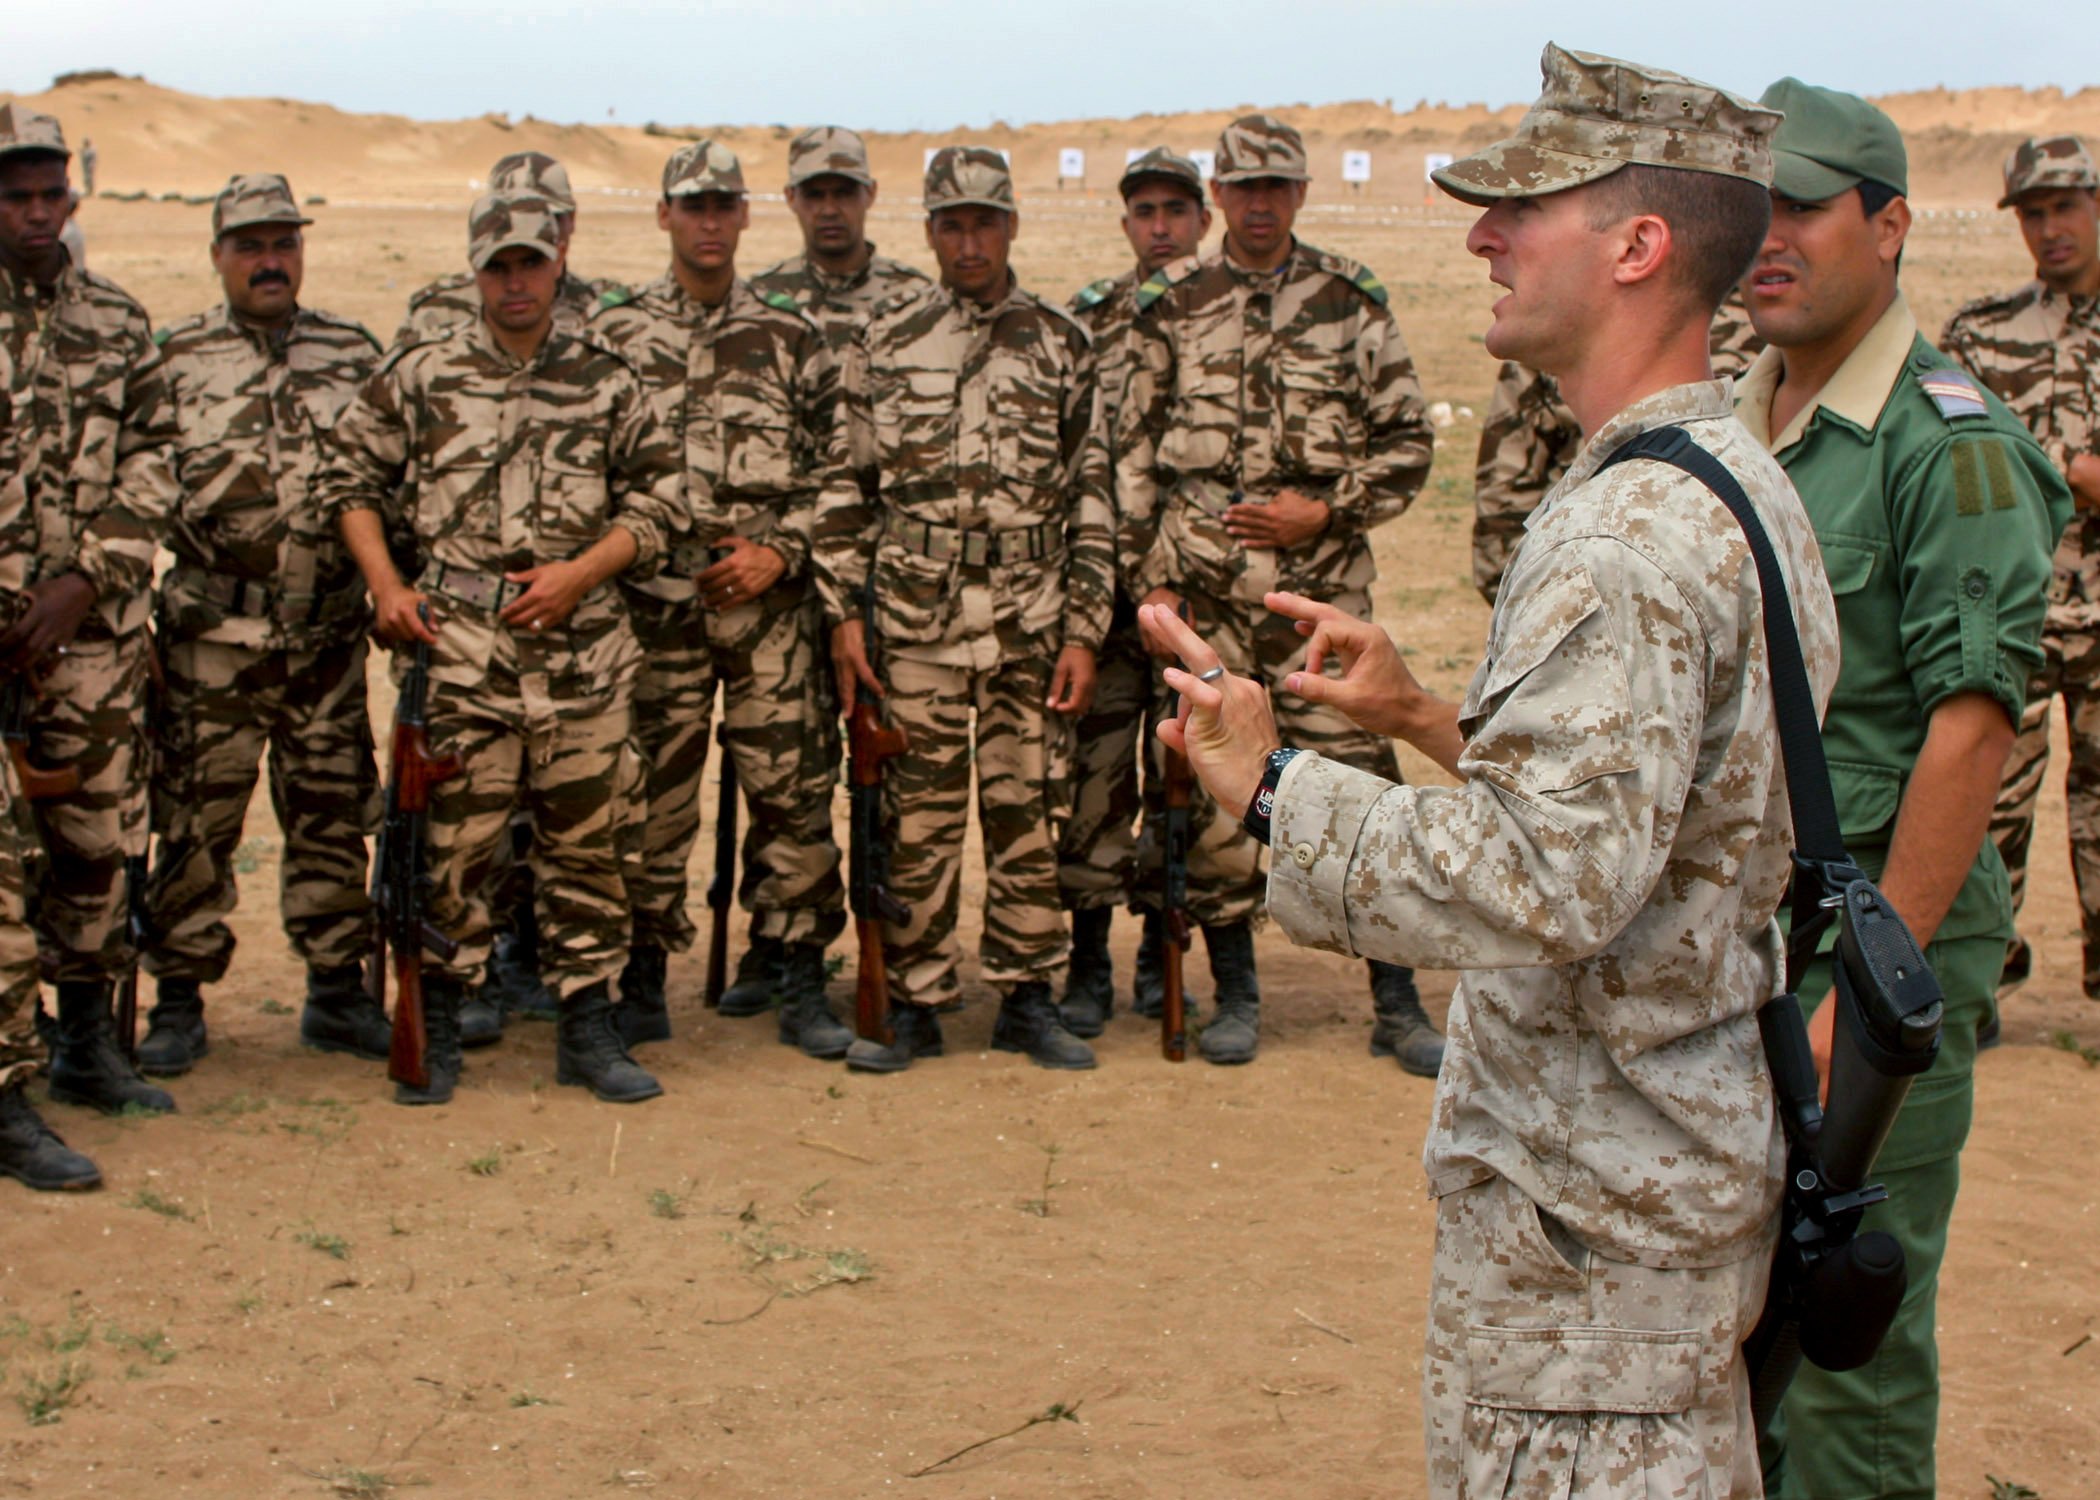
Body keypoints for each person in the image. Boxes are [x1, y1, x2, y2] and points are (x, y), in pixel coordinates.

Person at [1145, 44, 1834, 1496]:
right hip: (1658, 1181)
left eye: (1525, 209)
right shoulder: (1731, 480)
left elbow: (1550, 879)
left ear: (1639, 246)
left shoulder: (1621, 543)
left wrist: (1274, 787)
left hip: (1598, 1225)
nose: (1481, 236)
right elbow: (1664, 824)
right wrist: (1422, 716)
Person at [1735, 80, 2069, 1500]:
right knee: (1735, 1347)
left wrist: (1860, 1007)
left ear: (1890, 225)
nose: (1770, 239)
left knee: (1849, 1365)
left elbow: (1970, 734)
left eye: (1803, 208)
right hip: (1742, 950)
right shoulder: (1731, 421)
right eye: (1752, 210)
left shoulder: (1953, 446)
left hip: (1869, 959)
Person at [319, 194, 687, 1106]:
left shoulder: (610, 379)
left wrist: (582, 572)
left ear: (557, 262)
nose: (515, 282)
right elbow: (349, 478)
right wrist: (387, 586)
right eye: (498, 266)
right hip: (463, 651)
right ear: (474, 270)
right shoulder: (425, 374)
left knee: (590, 848)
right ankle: (438, 1020)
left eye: (529, 263)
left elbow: (664, 505)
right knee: (452, 847)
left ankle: (589, 1029)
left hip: (581, 650)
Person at [1115, 112, 1439, 1068]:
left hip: (1319, 610)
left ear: (1301, 193)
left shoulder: (1350, 300)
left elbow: (1409, 444)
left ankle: (1396, 997)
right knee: (1219, 806)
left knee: (1360, 790)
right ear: (1219, 194)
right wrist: (1155, 581)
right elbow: (1130, 455)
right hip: (1207, 607)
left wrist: (1327, 512)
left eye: (1278, 187)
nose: (1259, 203)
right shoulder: (1168, 303)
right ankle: (1237, 993)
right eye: (1243, 187)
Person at [815, 146, 1111, 1073]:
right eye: (952, 222)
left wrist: (1083, 630)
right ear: (930, 229)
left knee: (1028, 808)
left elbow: (1092, 496)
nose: (970, 239)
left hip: (1030, 617)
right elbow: (844, 484)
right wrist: (844, 613)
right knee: (919, 815)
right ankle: (916, 998)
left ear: (1013, 223)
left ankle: (1028, 995)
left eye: (986, 220)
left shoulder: (1063, 343)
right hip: (915, 621)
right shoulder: (885, 339)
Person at [591, 141, 851, 1055]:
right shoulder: (613, 337)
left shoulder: (790, 338)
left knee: (793, 795)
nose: (707, 221)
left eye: (722, 206)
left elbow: (842, 472)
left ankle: (795, 972)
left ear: (746, 217)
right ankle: (642, 974)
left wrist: (781, 553)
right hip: (653, 608)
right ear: (663, 216)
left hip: (767, 613)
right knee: (647, 799)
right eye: (690, 206)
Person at [133, 174, 387, 1077]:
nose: (269, 260)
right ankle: (177, 1000)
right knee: (196, 826)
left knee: (331, 818)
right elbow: (136, 491)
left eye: (283, 242)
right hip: (212, 645)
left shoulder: (354, 355)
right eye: (249, 245)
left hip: (324, 640)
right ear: (218, 257)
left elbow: (391, 479)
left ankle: (337, 992)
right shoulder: (172, 361)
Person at [0, 104, 178, 1118]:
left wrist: (85, 580)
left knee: (96, 843)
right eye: (15, 195)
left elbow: (155, 463)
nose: (36, 212)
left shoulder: (116, 320)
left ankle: (85, 1042)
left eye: (49, 194)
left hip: (95, 639)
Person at [1056, 147, 1213, 1038]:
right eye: (1144, 211)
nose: (1160, 226)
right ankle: (1086, 964)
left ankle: (1167, 954)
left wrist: (1174, 580)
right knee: (1096, 783)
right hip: (1102, 600)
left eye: (1175, 210)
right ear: (1125, 222)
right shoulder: (1090, 319)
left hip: (1191, 600)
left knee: (1186, 778)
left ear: (1202, 219)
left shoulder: (1219, 316)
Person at [1940, 135, 2100, 999]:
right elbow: (1938, 460)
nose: (2050, 230)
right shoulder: (1981, 332)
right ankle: (1978, 984)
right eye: (2033, 214)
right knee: (1982, 807)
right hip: (2014, 617)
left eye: (2066, 207)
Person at [1471, 290, 1763, 604]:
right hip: (1577, 588)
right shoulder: (1570, 317)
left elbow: (1505, 482)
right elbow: (1508, 478)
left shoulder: (1780, 319)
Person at [394, 151, 613, 347]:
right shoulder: (441, 310)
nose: (531, 231)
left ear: (572, 220)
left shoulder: (606, 310)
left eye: (549, 218)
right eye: (512, 221)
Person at [749, 126, 931, 355]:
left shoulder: (918, 299)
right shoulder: (761, 300)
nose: (829, 210)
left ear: (871, 193)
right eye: (814, 195)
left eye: (844, 193)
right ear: (790, 197)